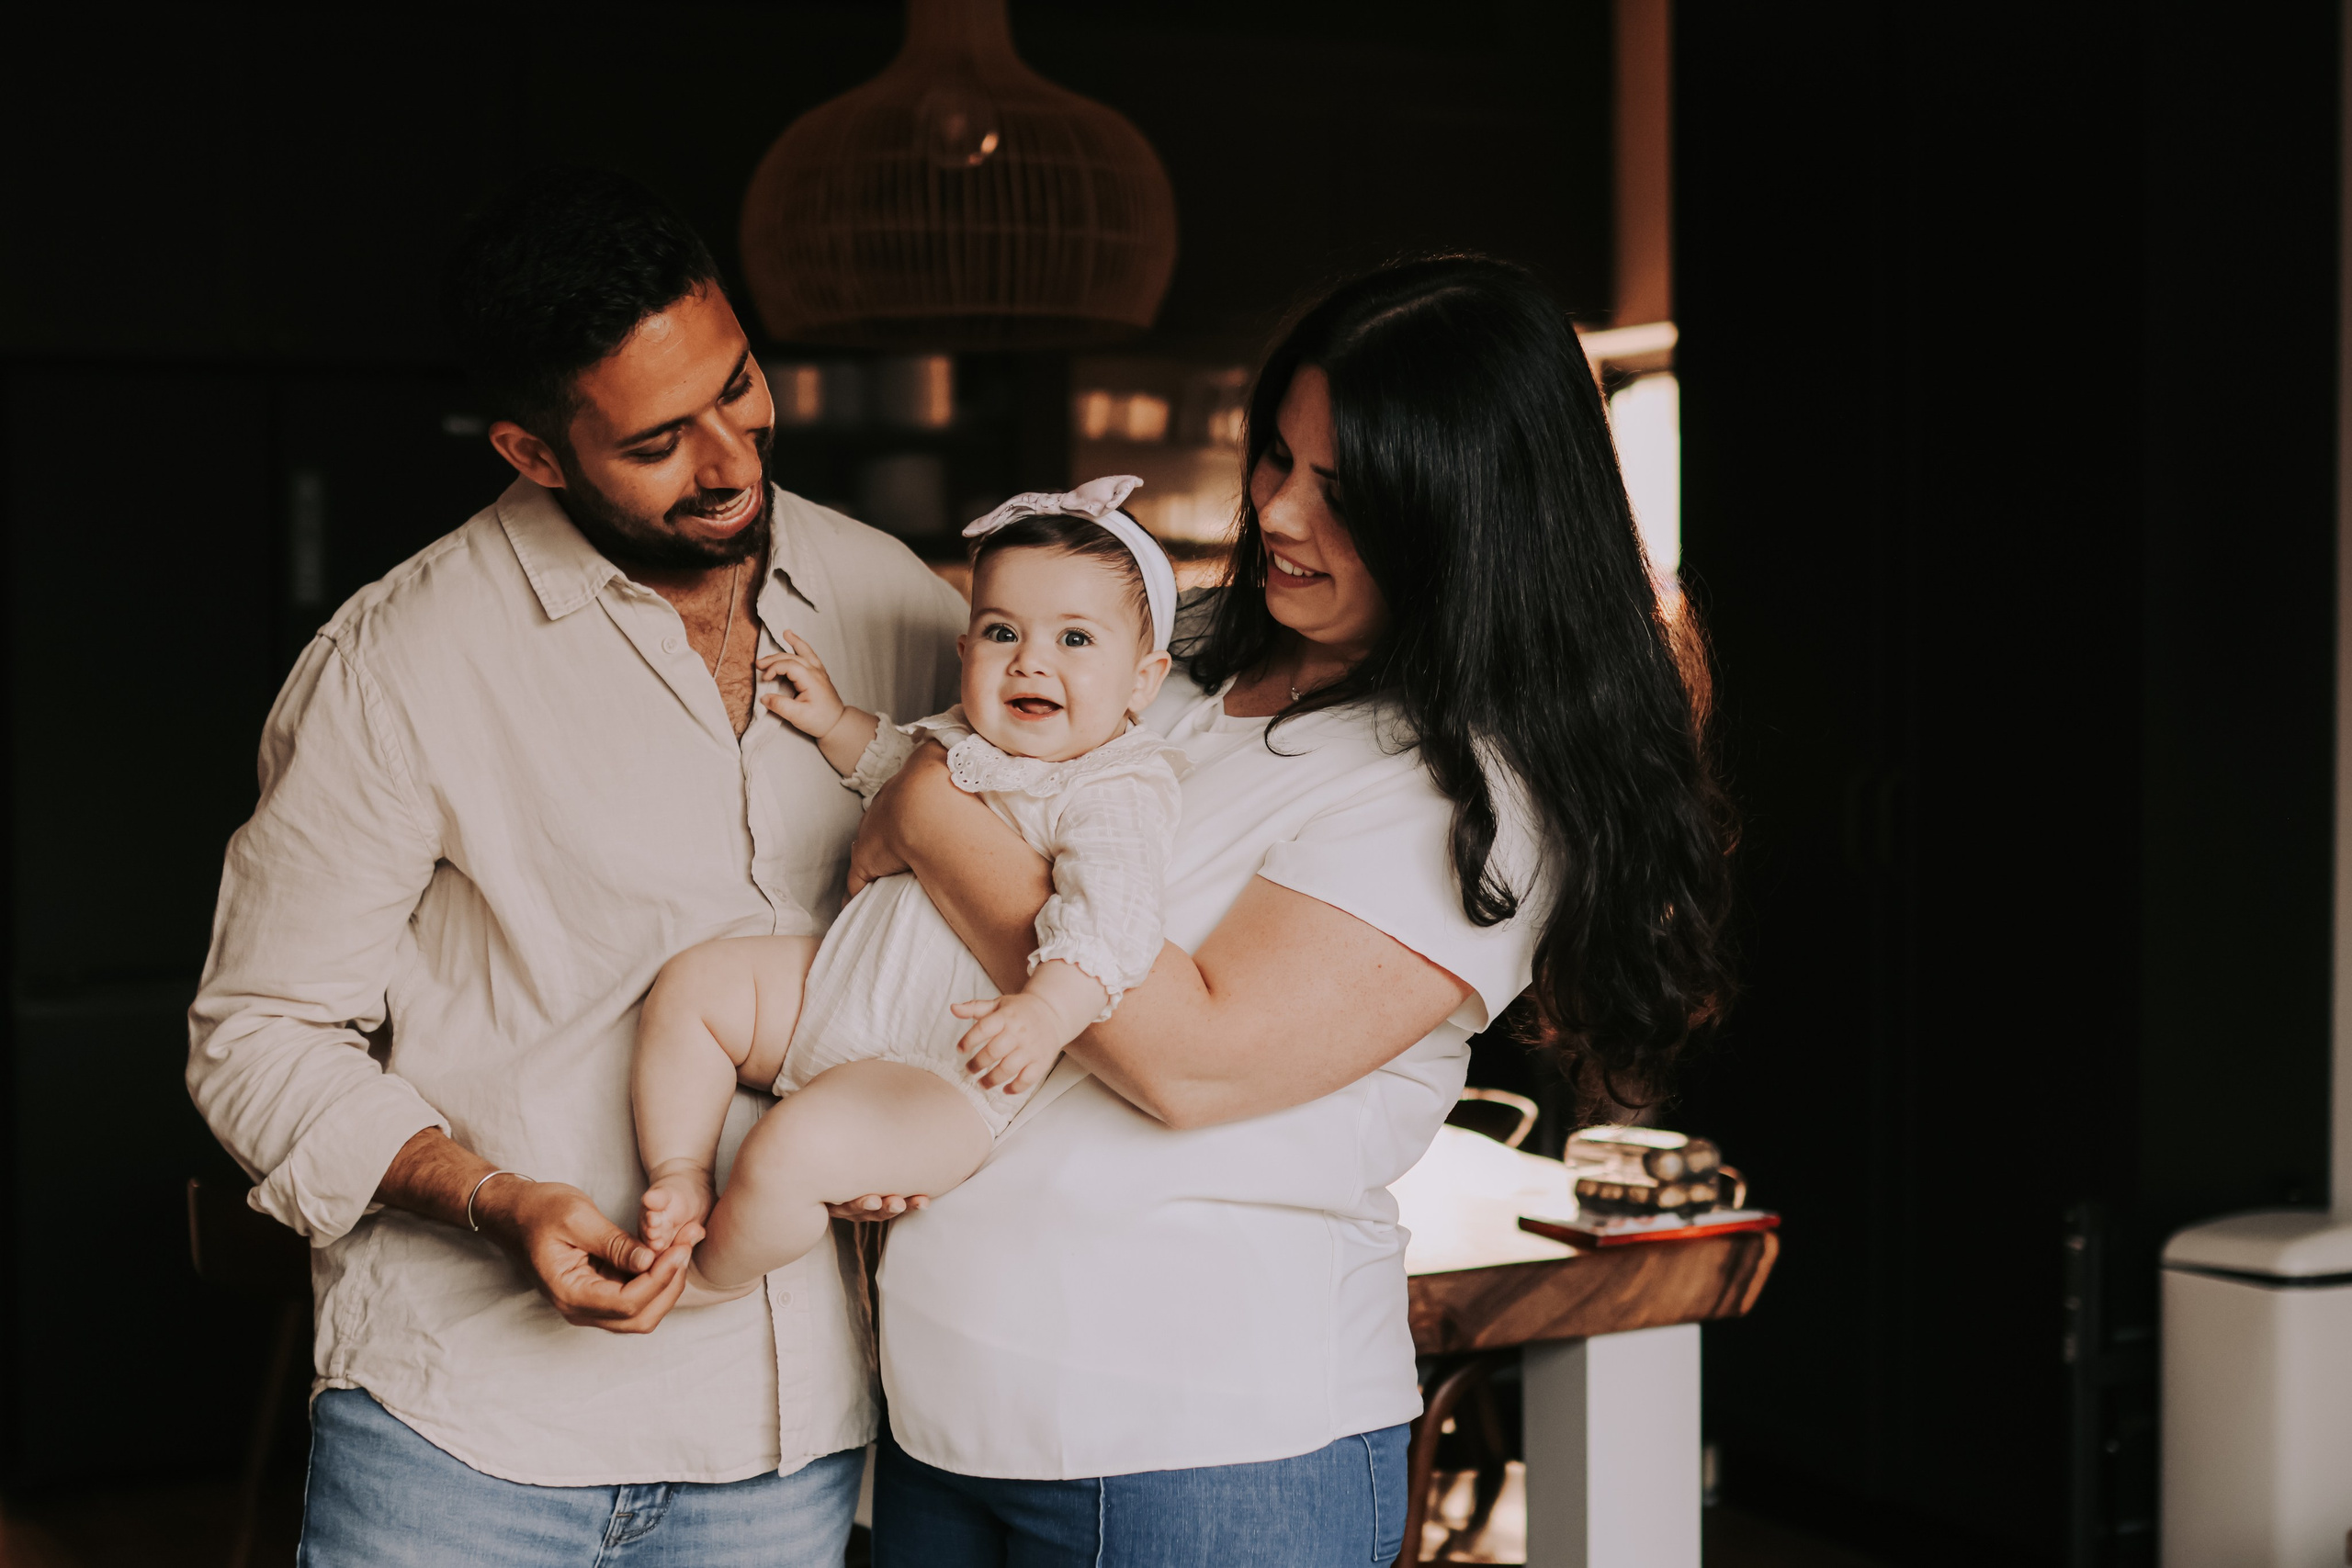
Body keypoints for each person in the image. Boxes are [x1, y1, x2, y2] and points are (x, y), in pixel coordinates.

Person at [844, 255, 1737, 1565]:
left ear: (1466, 519)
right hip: (938, 1415)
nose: (1275, 510)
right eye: (1277, 455)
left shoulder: (1471, 789)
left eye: (1343, 489)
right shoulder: (1174, 656)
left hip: (1203, 1452)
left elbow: (1188, 1057)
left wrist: (930, 814)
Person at [185, 169, 967, 1565]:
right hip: (466, 1437)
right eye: (659, 441)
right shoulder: (396, 664)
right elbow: (260, 1035)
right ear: (534, 452)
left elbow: (998, 918)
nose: (728, 462)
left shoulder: (903, 606)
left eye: (739, 387)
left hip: (792, 1443)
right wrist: (492, 1198)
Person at [632, 477, 1185, 1297]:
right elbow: (892, 767)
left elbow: (1113, 917)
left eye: (1075, 638)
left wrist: (1046, 1010)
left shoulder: (1114, 786)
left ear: (1143, 680)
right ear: (966, 651)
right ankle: (679, 1169)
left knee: (789, 1150)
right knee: (696, 984)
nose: (1030, 659)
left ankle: (707, 1279)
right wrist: (833, 720)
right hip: (838, 987)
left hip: (944, 1070)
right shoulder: (964, 739)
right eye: (1002, 631)